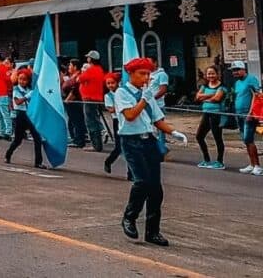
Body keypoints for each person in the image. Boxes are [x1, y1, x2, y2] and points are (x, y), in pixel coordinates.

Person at [115, 57, 188, 246]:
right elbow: (130, 116)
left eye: (148, 74)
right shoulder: (122, 93)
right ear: (131, 74)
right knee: (142, 182)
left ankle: (152, 231)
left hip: (149, 141)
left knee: (156, 189)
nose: (146, 77)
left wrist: (174, 132)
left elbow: (157, 120)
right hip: (131, 142)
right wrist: (144, 100)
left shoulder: (146, 93)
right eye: (142, 73)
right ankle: (129, 217)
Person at [4, 68, 45, 168]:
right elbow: (17, 102)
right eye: (20, 79)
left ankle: (38, 162)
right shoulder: (16, 89)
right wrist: (27, 96)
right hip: (21, 115)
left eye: (24, 79)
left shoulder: (29, 89)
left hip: (30, 115)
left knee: (37, 138)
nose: (22, 81)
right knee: (18, 139)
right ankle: (8, 154)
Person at [231, 61, 262, 175]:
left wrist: (251, 112)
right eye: (234, 70)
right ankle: (252, 164)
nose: (235, 72)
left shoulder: (251, 79)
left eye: (238, 69)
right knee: (245, 140)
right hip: (239, 113)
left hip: (248, 114)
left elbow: (257, 95)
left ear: (244, 69)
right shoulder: (238, 83)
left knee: (249, 139)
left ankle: (257, 165)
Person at [194, 65, 227, 170]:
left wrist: (205, 97)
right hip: (206, 113)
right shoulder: (204, 86)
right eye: (209, 73)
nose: (211, 75)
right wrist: (211, 95)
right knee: (199, 136)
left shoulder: (222, 86)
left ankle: (220, 161)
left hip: (216, 114)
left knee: (217, 138)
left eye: (213, 73)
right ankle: (206, 159)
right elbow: (197, 97)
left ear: (217, 74)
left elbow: (217, 99)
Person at [77, 51, 106, 152]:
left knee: (90, 122)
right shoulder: (100, 70)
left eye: (88, 57)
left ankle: (96, 145)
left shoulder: (91, 70)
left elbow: (79, 79)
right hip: (96, 98)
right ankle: (98, 143)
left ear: (91, 59)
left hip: (89, 98)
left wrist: (83, 72)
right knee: (95, 119)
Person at [63, 58, 86, 147]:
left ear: (75, 67)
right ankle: (75, 138)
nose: (69, 67)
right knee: (72, 121)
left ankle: (79, 140)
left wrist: (68, 99)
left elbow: (75, 89)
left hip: (74, 102)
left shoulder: (78, 76)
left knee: (77, 121)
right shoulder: (72, 76)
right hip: (70, 103)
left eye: (70, 65)